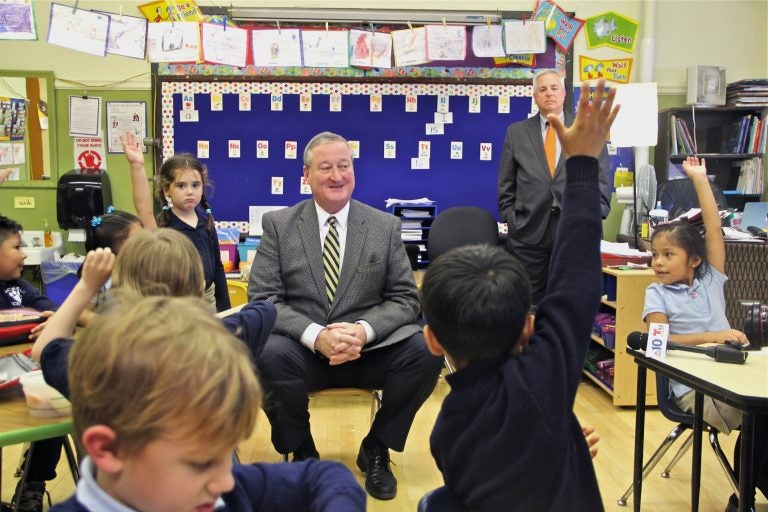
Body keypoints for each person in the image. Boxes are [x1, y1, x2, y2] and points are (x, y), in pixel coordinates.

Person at [420, 78, 619, 511]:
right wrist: (559, 442)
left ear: (432, 339)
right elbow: (576, 288)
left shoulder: (447, 431)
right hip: (529, 235)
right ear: (529, 326)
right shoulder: (546, 380)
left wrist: (555, 439)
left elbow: (503, 478)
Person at [247, 131, 444, 500]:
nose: (337, 176)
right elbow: (264, 298)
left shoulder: (384, 227)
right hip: (302, 354)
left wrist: (363, 331)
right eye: (325, 167)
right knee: (264, 353)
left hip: (368, 351)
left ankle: (377, 447)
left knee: (426, 349)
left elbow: (405, 298)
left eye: (344, 166)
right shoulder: (279, 224)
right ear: (306, 175)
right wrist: (315, 335)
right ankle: (302, 450)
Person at [45, 294, 366, 511]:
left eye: (227, 453)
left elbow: (328, 477)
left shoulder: (218, 491)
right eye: (201, 462)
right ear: (109, 450)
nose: (227, 480)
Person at [643, 156, 768, 511]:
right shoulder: (657, 294)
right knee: (760, 414)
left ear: (694, 260)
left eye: (668, 254)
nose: (659, 263)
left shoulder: (711, 279)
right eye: (655, 255)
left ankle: (748, 490)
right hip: (692, 389)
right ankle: (744, 497)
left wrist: (699, 179)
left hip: (732, 374)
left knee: (762, 414)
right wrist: (711, 337)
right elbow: (658, 343)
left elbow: (713, 229)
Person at [32, 228, 277, 398]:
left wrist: (86, 286)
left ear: (121, 286)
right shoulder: (225, 338)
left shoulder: (101, 359)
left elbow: (44, 349)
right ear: (199, 283)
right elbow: (263, 308)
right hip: (210, 471)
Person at [498, 69, 613, 304]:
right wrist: (511, 217)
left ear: (563, 93)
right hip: (528, 231)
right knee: (527, 302)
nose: (548, 93)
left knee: (570, 300)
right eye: (542, 89)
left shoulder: (586, 128)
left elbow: (602, 178)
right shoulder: (517, 132)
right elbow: (506, 183)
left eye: (554, 88)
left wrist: (594, 214)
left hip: (574, 228)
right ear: (534, 96)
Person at [120, 132, 230, 312]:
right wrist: (137, 166)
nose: (189, 192)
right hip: (176, 305)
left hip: (208, 302)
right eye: (181, 186)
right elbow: (144, 211)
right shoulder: (164, 225)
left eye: (195, 185)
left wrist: (224, 309)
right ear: (166, 190)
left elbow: (218, 266)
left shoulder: (206, 221)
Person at [0, 214, 63, 512]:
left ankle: (32, 485)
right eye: (16, 247)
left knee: (56, 408)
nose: (24, 253)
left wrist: (49, 316)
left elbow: (44, 305)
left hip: (25, 375)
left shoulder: (20, 286)